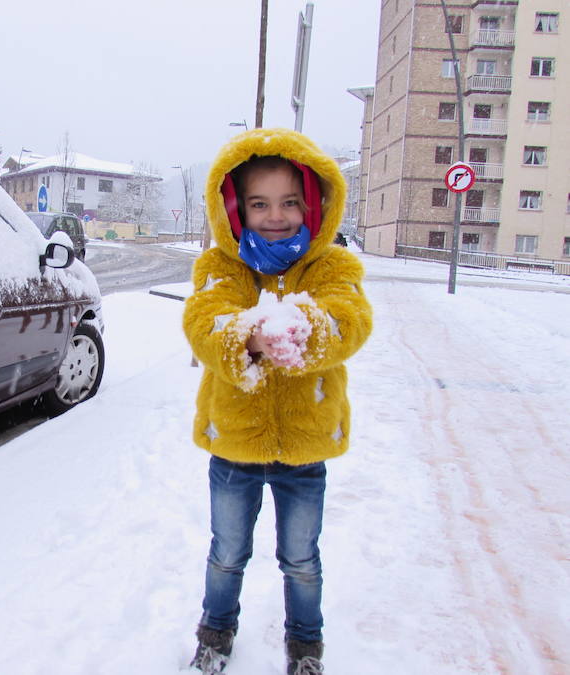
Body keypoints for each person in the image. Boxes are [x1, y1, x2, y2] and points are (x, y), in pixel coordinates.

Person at [183, 128, 373, 675]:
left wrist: (306, 330)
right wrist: (246, 334)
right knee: (227, 554)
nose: (275, 216)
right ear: (235, 207)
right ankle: (215, 634)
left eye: (290, 202)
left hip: (304, 449)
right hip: (235, 447)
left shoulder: (332, 268)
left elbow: (350, 321)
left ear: (313, 204)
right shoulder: (222, 266)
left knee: (301, 560)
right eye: (260, 203)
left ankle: (306, 645)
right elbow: (204, 321)